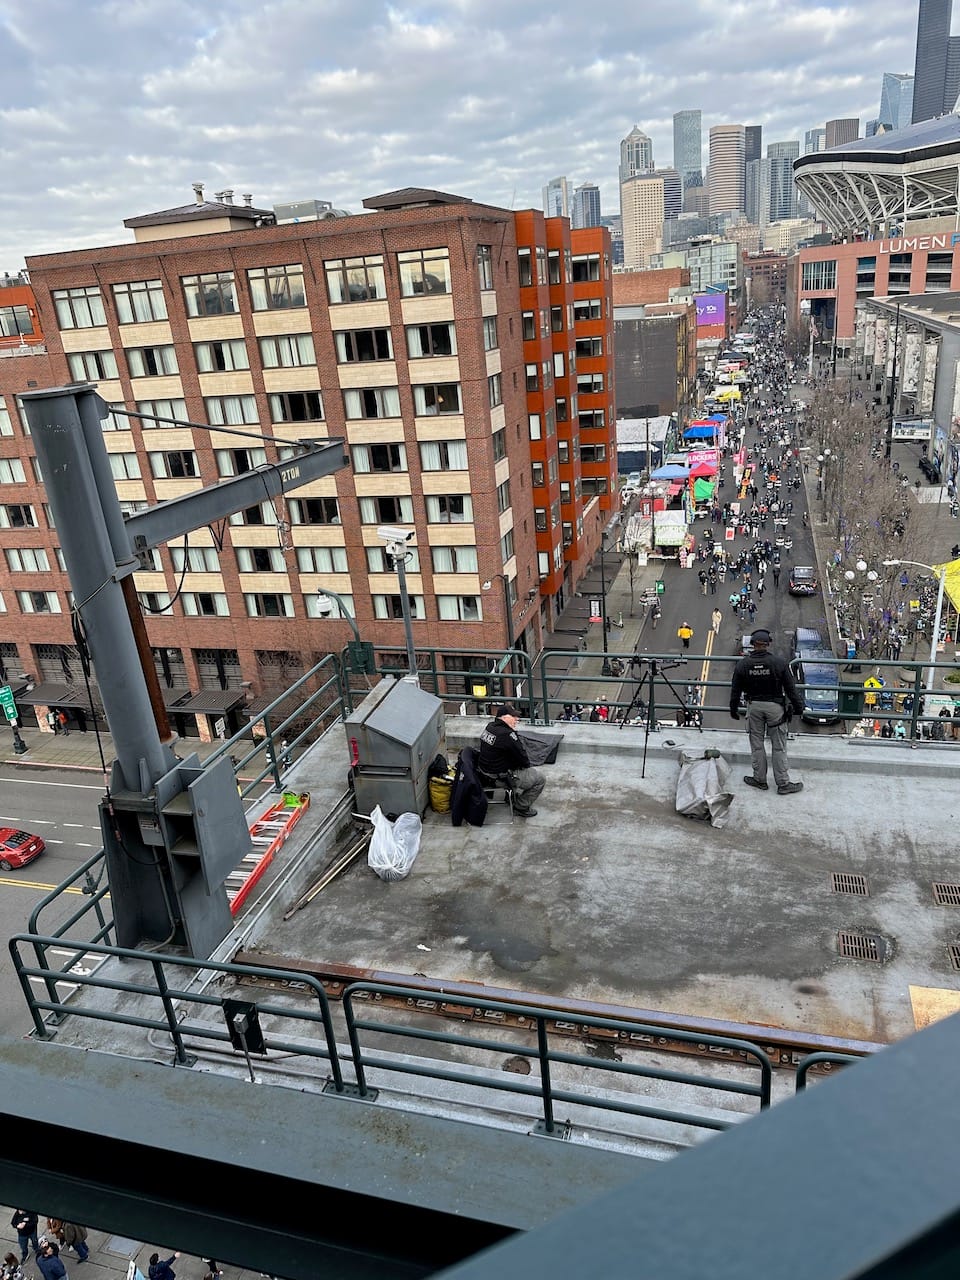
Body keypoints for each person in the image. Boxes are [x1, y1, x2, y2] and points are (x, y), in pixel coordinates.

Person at [729, 628, 804, 795]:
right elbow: (791, 689)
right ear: (768, 644)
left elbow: (735, 691)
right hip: (775, 708)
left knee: (757, 745)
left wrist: (733, 709)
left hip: (754, 707)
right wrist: (799, 708)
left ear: (752, 645)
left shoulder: (743, 665)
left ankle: (759, 779)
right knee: (779, 747)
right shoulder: (779, 663)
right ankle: (783, 784)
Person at [477, 704, 545, 818]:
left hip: (485, 773)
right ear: (504, 718)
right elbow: (524, 760)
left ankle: (510, 794)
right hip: (501, 777)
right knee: (540, 779)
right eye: (513, 717)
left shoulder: (490, 727)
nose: (517, 719)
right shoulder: (508, 735)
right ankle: (521, 806)